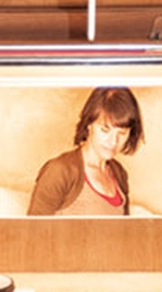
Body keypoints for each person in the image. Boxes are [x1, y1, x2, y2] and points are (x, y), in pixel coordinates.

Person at [27, 87, 144, 216]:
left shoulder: (119, 173)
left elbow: (126, 231)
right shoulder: (59, 171)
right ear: (89, 124)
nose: (113, 141)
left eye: (122, 133)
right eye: (105, 130)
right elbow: (32, 233)